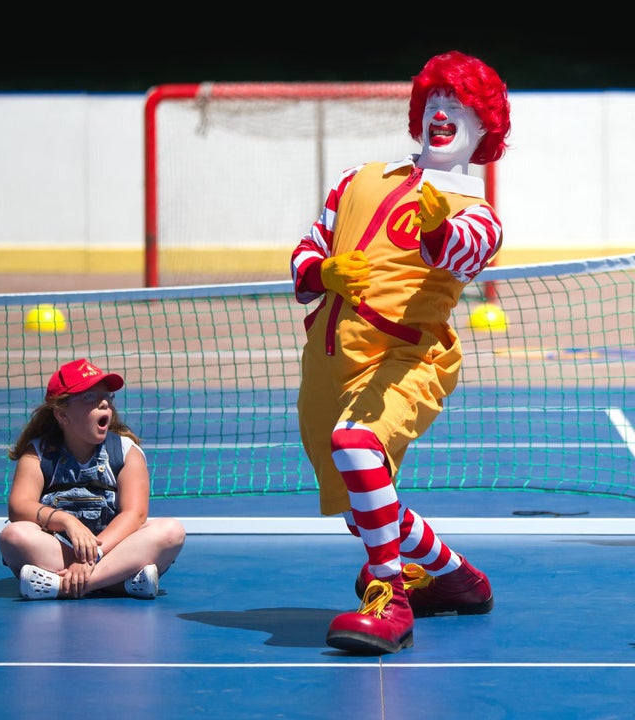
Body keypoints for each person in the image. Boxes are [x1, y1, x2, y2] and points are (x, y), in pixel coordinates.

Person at [290, 50, 511, 654]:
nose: (444, 112)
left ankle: (390, 599)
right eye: (435, 102)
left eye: (460, 105)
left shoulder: (480, 214)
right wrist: (322, 272)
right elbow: (306, 249)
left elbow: (463, 252)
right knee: (366, 509)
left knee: (356, 447)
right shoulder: (359, 178)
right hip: (329, 356)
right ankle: (461, 580)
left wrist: (438, 228)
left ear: (484, 126)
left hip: (407, 357)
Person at [0, 358, 186, 600]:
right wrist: (67, 522)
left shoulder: (125, 451)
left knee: (171, 531)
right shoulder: (39, 453)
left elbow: (135, 515)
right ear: (61, 414)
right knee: (14, 536)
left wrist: (91, 557)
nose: (104, 402)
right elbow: (19, 507)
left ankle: (65, 586)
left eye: (107, 396)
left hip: (111, 550)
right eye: (89, 397)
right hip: (58, 551)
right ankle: (118, 584)